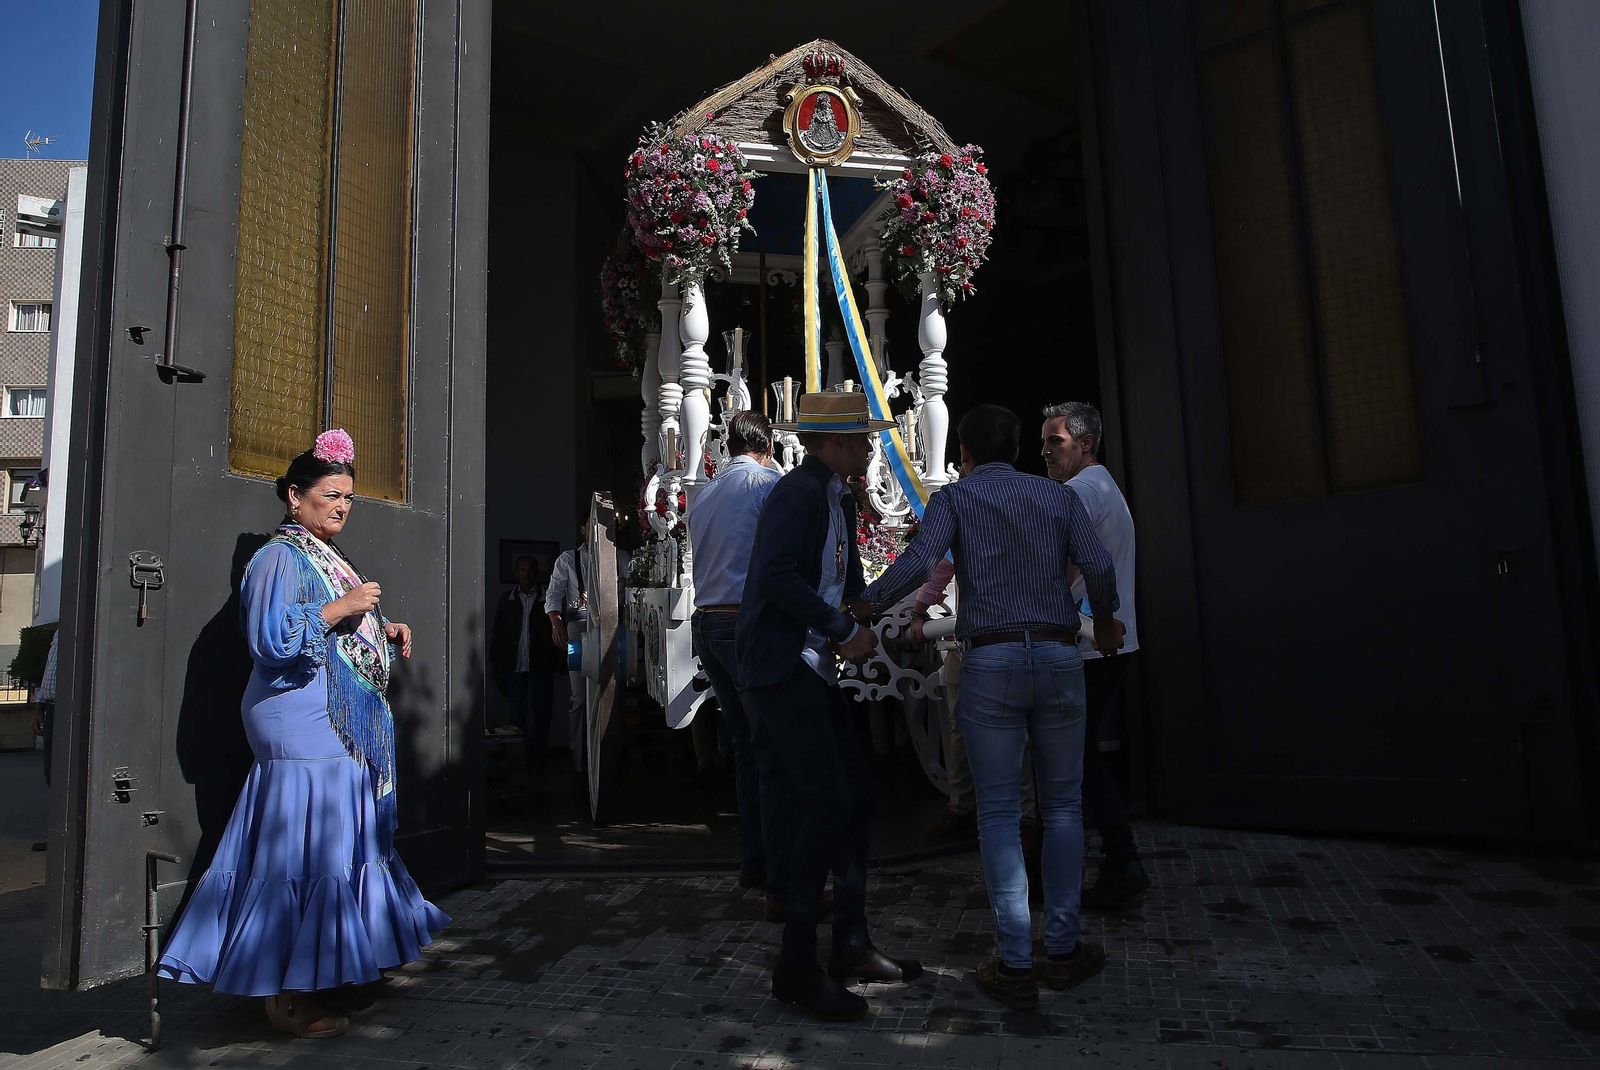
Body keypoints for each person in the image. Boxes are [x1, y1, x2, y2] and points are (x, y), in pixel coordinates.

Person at [155, 430, 448, 1038]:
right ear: (295, 497)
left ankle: (333, 967)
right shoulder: (276, 559)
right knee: (304, 852)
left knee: (335, 845)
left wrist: (382, 628)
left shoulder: (324, 557)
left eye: (348, 497)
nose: (342, 506)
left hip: (328, 718)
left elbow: (329, 625)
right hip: (297, 720)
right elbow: (271, 640)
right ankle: (288, 996)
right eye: (330, 495)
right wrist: (343, 611)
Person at [860, 404, 1121, 1012]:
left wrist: (864, 607)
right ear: (1021, 451)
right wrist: (1104, 622)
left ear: (966, 455)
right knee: (1062, 807)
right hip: (1058, 659)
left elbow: (920, 563)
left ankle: (1016, 960)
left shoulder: (956, 499)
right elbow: (1100, 564)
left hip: (991, 663)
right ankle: (1063, 947)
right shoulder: (1056, 497)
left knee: (999, 815)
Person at [736, 392, 921, 1022]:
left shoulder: (836, 496)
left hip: (809, 667)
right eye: (864, 439)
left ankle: (850, 941)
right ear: (837, 443)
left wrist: (867, 606)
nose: (871, 448)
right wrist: (844, 628)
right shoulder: (798, 492)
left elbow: (839, 579)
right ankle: (796, 964)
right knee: (826, 801)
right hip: (783, 668)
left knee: (856, 794)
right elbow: (777, 578)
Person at [1042, 401, 1147, 909]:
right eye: (1043, 442)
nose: (1045, 452)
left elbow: (1059, 565)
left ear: (1084, 444)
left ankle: (1119, 858)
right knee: (1075, 756)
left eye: (1054, 442)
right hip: (1102, 642)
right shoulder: (1098, 487)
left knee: (1073, 758)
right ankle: (1114, 857)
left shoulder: (1082, 491)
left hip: (1091, 645)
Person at [490, 554, 558, 792]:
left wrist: (556, 663)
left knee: (542, 714)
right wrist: (496, 664)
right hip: (515, 666)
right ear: (516, 572)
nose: (525, 574)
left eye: (529, 570)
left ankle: (537, 759)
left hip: (540, 665)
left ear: (535, 572)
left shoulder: (546, 599)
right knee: (516, 717)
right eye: (521, 570)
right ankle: (519, 763)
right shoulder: (507, 600)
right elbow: (498, 635)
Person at [545, 519, 592, 776]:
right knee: (580, 697)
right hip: (578, 625)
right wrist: (556, 622)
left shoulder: (620, 558)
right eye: (589, 524)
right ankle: (579, 755)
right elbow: (553, 594)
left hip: (611, 625)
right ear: (583, 529)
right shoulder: (567, 559)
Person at [30, 629, 59, 851]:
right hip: (51, 708)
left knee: (69, 776)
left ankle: (65, 836)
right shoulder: (59, 633)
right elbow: (49, 671)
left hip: (71, 708)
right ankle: (57, 833)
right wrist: (39, 707)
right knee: (53, 775)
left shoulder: (84, 626)